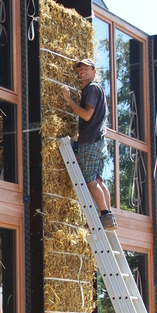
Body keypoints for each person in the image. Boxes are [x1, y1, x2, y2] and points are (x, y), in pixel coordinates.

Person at [61, 58, 117, 230]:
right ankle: (108, 215)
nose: (82, 71)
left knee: (90, 180)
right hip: (99, 141)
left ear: (94, 71)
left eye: (86, 69)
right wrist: (74, 63)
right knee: (98, 179)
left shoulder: (92, 88)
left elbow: (86, 115)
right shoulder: (95, 88)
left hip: (91, 141)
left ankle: (105, 214)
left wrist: (68, 99)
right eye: (80, 70)